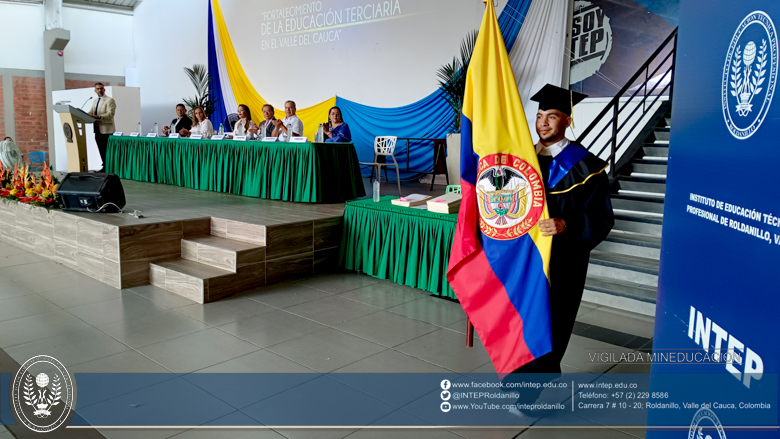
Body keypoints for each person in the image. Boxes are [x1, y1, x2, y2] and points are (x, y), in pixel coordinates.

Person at [507, 84, 614, 412]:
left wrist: (567, 224)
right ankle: (526, 379)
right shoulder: (521, 160)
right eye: (540, 115)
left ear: (568, 120)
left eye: (552, 116)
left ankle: (529, 393)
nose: (543, 122)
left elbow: (601, 217)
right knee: (522, 319)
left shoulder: (585, 166)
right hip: (525, 257)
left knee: (552, 321)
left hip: (564, 259)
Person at [89, 83, 116, 172]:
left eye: (101, 88)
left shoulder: (109, 100)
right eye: (98, 89)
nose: (100, 90)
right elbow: (91, 112)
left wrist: (99, 117)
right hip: (97, 128)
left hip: (106, 129)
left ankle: (109, 168)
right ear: (95, 90)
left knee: (106, 149)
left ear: (104, 90)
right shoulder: (95, 101)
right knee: (101, 149)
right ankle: (105, 167)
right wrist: (82, 114)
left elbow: (110, 113)